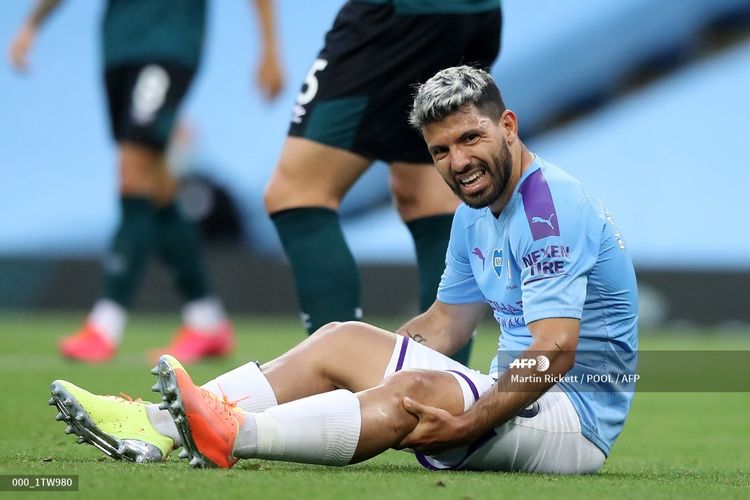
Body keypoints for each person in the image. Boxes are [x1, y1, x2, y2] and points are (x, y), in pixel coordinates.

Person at [49, 66, 638, 473]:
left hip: (574, 418)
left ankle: (231, 434)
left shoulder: (547, 207)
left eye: (470, 137)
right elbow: (445, 327)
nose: (458, 162)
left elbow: (556, 351)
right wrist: (354, 362)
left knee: (413, 390)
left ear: (507, 125)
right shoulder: (476, 213)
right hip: (520, 397)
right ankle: (157, 425)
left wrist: (469, 422)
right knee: (341, 338)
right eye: (440, 151)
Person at [8, 0, 284, 363]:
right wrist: (33, 23)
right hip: (118, 48)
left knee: (132, 170)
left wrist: (269, 48)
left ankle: (105, 322)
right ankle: (207, 320)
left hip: (169, 45)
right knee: (158, 185)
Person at [264, 0, 503, 364]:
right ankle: (443, 393)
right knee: (426, 196)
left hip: (395, 17)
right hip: (476, 14)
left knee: (297, 195)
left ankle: (344, 379)